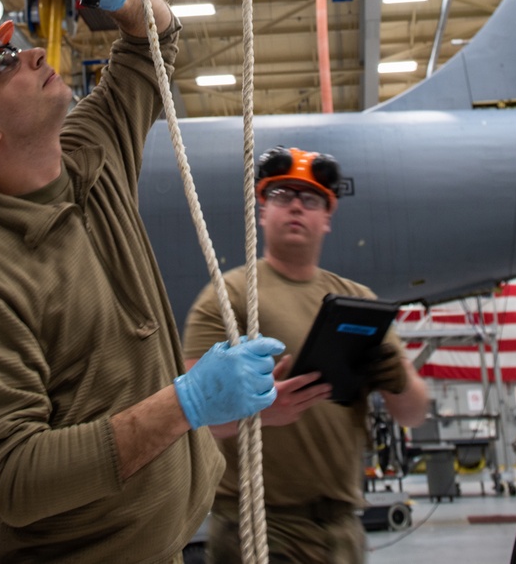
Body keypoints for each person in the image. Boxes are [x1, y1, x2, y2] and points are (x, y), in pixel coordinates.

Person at [0, 0, 284, 564]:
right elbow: (12, 479)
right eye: (4, 64)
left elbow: (157, 42)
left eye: (15, 42)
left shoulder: (90, 154)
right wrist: (186, 403)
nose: (36, 54)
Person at [183, 146, 430, 564]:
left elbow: (414, 414)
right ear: (262, 210)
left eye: (310, 199)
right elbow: (192, 421)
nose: (296, 205)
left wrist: (398, 379)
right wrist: (260, 409)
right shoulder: (228, 298)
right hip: (257, 530)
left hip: (342, 530)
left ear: (327, 218)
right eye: (282, 195)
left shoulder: (358, 300)